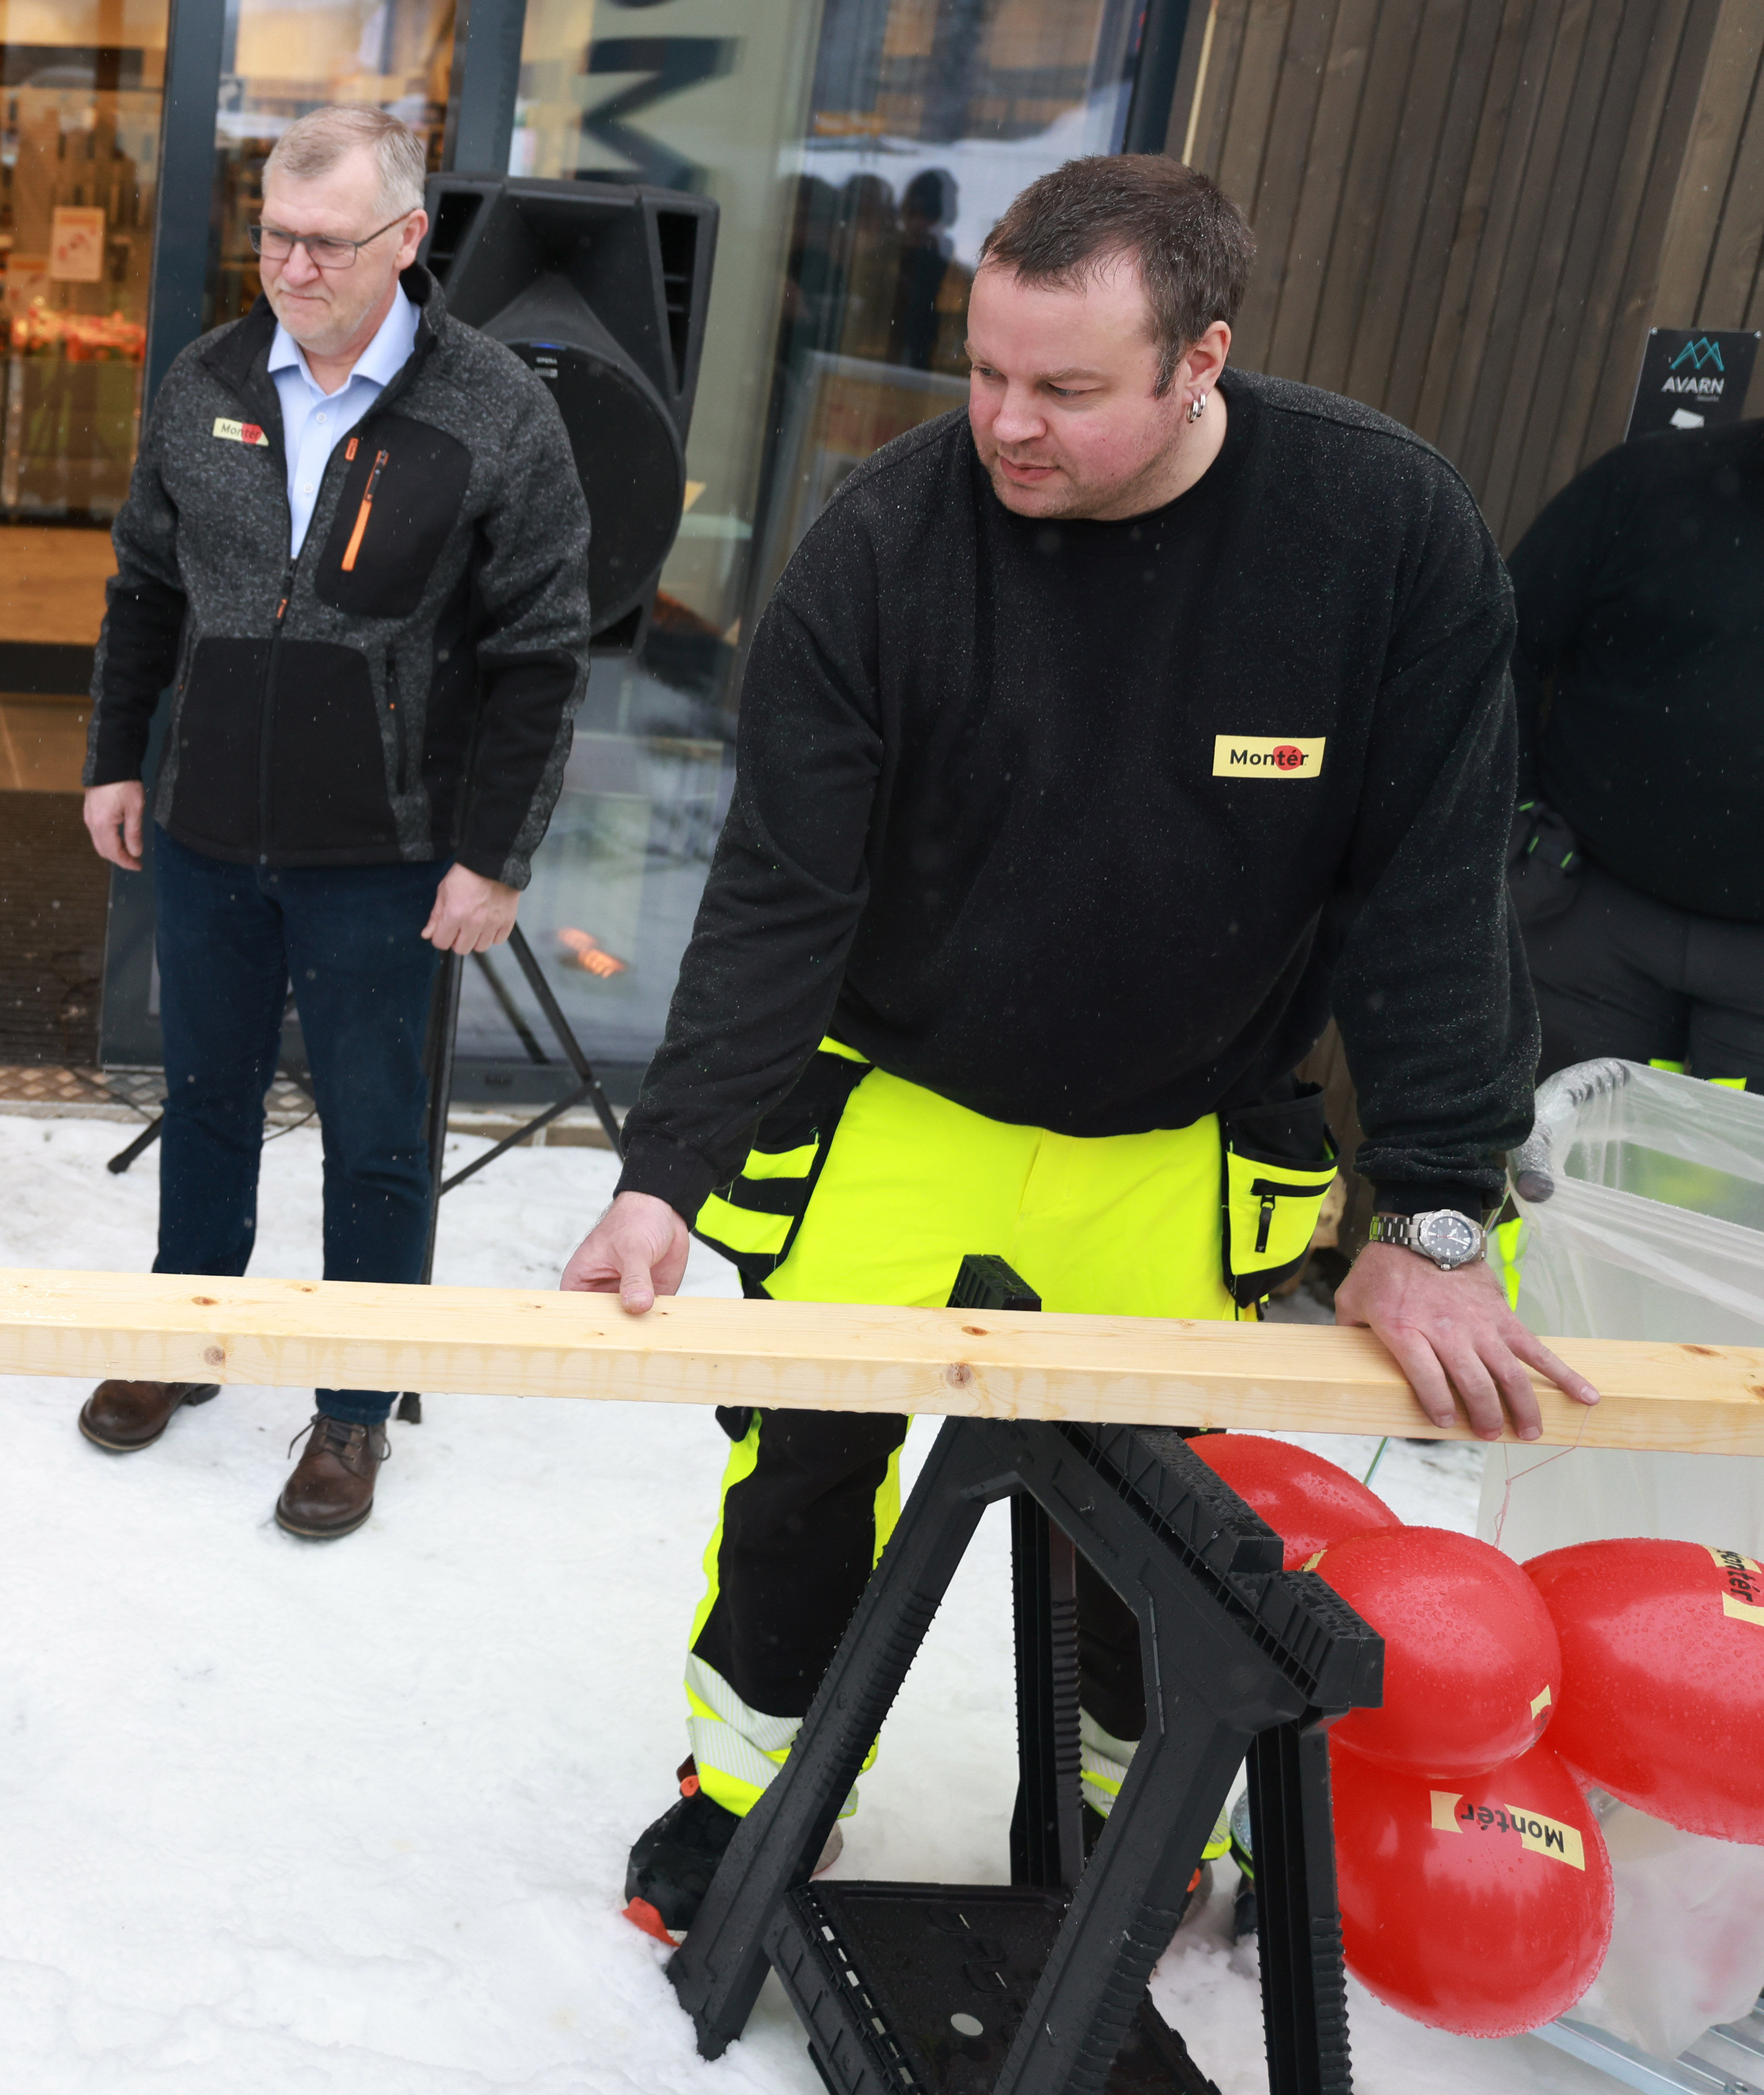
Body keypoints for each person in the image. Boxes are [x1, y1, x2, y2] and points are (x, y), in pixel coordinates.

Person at [554, 154, 1601, 1944]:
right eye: (981, 371)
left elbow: (1428, 888)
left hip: (1178, 1120)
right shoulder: (884, 541)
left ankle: (1125, 1819)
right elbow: (777, 890)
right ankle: (745, 1794)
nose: (1002, 424)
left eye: (1063, 388)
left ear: (1200, 355)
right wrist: (664, 1166)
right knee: (799, 1463)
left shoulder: (1378, 536)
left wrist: (1431, 1209)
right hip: (900, 1090)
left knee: (1143, 1513)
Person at [77, 104, 593, 1541]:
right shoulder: (206, 378)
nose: (293, 269)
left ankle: (356, 1408)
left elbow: (542, 650)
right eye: (275, 240)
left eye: (326, 244)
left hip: (388, 849)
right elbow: (143, 585)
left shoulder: (494, 408)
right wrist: (117, 759)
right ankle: (188, 1331)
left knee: (375, 1132)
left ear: (407, 240)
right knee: (206, 1095)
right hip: (204, 828)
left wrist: (496, 855)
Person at [1506, 414, 1763, 1085]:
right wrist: (1515, 815)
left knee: (1725, 1190)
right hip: (1590, 919)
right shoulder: (1649, 482)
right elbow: (1505, 644)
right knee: (1543, 1172)